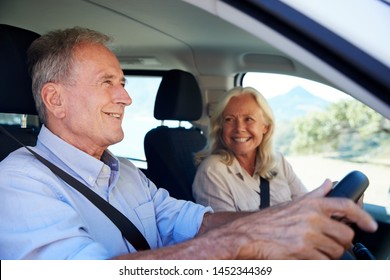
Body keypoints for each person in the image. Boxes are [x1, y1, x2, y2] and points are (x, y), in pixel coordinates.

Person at [0, 27, 377, 260]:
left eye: (124, 83)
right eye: (107, 83)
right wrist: (243, 242)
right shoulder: (19, 181)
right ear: (55, 100)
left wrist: (284, 218)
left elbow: (196, 222)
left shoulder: (125, 172)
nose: (126, 99)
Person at [192, 86, 307, 212]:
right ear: (221, 127)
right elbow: (225, 229)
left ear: (265, 127)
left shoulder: (278, 161)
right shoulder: (212, 171)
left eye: (248, 119)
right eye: (229, 120)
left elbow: (307, 205)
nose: (239, 128)